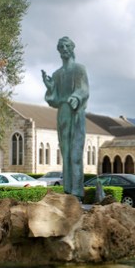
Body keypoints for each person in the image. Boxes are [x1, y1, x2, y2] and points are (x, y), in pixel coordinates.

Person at [42, 36, 89, 198]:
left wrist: (75, 97)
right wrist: (50, 88)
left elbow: (84, 90)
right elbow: (54, 100)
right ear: (59, 51)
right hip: (63, 113)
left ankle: (77, 190)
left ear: (72, 48)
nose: (64, 49)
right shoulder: (56, 75)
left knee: (76, 153)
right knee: (66, 151)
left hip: (76, 114)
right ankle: (68, 189)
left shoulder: (79, 69)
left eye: (67, 46)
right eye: (61, 47)